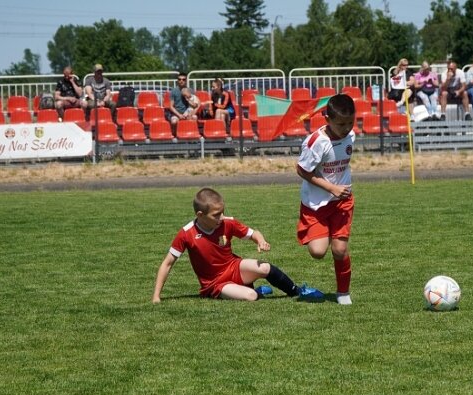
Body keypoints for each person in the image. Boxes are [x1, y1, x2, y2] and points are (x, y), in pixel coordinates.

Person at [152, 187, 322, 303]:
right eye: (216, 215)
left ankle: (297, 291)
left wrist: (261, 241)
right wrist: (156, 296)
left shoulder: (228, 223)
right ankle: (251, 290)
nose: (222, 217)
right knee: (250, 296)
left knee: (264, 267)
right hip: (215, 284)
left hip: (234, 267)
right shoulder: (186, 233)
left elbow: (253, 233)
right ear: (200, 214)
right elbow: (167, 263)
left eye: (222, 212)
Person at [295, 94, 357, 305]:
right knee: (318, 252)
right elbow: (302, 170)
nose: (346, 128)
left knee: (339, 250)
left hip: (342, 201)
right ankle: (325, 233)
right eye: (341, 124)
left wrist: (338, 189)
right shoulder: (316, 142)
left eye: (350, 122)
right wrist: (331, 187)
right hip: (315, 205)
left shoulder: (351, 136)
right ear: (327, 119)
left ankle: (343, 292)